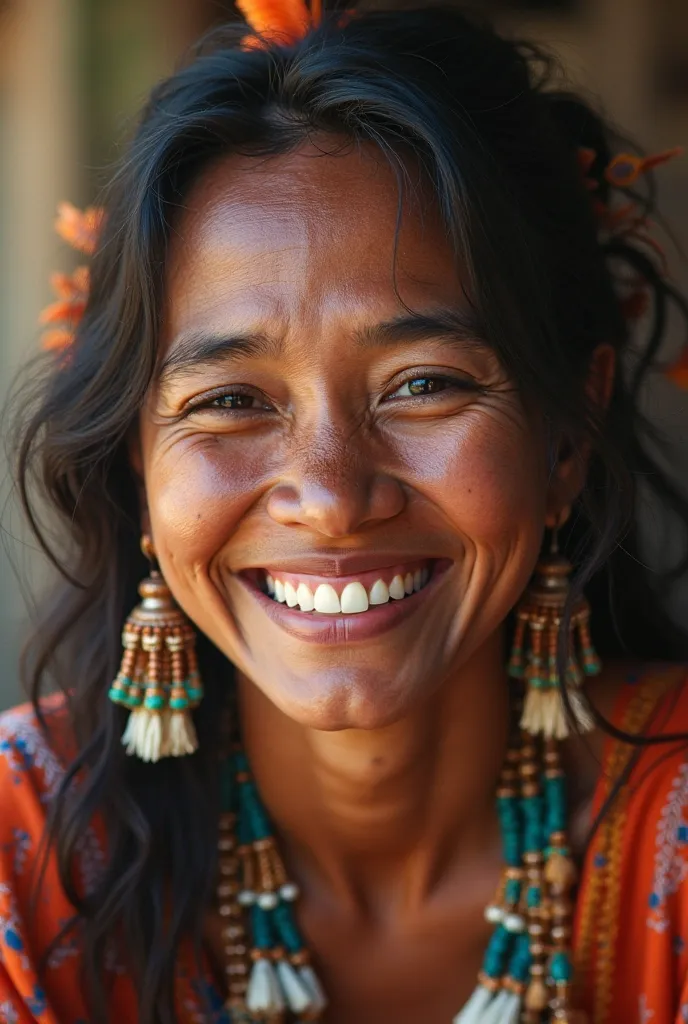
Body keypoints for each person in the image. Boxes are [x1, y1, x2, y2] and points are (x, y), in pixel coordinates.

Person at [1, 2, 688, 1022]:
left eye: (422, 384)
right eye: (230, 401)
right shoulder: (23, 856)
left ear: (563, 437)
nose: (328, 496)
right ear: (138, 457)